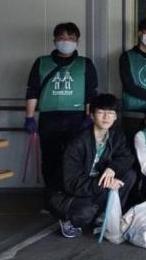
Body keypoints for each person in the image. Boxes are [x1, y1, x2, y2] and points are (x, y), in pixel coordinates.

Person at [25, 22, 98, 194]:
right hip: (49, 118)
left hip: (77, 118)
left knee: (76, 158)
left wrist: (89, 117)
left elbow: (91, 93)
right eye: (62, 38)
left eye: (71, 38)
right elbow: (32, 91)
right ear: (54, 40)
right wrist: (29, 117)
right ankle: (52, 196)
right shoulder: (41, 62)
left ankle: (72, 195)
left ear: (77, 41)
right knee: (50, 159)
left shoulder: (85, 64)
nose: (66, 41)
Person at [52, 93, 135, 238]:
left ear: (115, 116)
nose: (106, 117)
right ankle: (69, 220)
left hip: (96, 186)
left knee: (129, 175)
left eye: (110, 113)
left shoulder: (116, 135)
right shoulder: (77, 142)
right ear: (92, 115)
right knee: (86, 212)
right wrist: (104, 184)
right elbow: (71, 182)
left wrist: (112, 168)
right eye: (101, 112)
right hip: (72, 193)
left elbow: (127, 157)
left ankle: (104, 215)